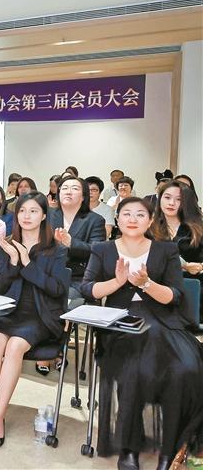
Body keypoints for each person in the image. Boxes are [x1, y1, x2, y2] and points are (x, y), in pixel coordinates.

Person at [80, 197, 203, 470]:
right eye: (126, 214)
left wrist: (146, 284)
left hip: (162, 321)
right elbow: (88, 288)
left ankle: (170, 451)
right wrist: (117, 282)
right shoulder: (102, 249)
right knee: (133, 368)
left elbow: (175, 296)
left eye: (140, 214)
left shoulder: (166, 250)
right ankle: (129, 447)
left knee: (185, 369)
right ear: (117, 219)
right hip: (121, 323)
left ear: (149, 221)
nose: (133, 219)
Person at [0, 192, 68, 447]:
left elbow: (57, 290)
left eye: (34, 211)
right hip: (7, 311)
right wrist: (14, 262)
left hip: (39, 315)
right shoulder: (7, 244)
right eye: (22, 211)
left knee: (14, 346)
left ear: (44, 215)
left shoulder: (56, 250)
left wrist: (27, 263)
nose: (27, 216)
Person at [151, 181, 203, 316]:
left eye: (179, 199)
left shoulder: (199, 228)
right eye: (167, 197)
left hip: (193, 287)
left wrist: (199, 266)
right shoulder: (149, 228)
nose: (171, 203)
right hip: (157, 288)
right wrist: (183, 265)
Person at [48, 177, 106, 295]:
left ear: (83, 196)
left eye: (74, 188)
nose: (68, 192)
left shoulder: (95, 220)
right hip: (47, 274)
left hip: (76, 279)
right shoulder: (47, 215)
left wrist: (71, 243)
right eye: (64, 188)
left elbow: (97, 251)